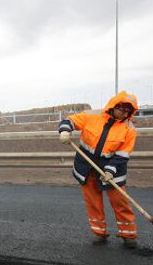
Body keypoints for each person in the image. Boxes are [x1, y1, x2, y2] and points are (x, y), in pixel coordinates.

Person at [58, 91, 139, 248]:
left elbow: (122, 155)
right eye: (122, 108)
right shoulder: (92, 116)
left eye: (128, 111)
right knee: (93, 202)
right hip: (87, 166)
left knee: (120, 202)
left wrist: (110, 171)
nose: (124, 113)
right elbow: (69, 121)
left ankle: (128, 234)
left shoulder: (129, 129)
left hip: (113, 169)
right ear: (114, 105)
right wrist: (65, 131)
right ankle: (99, 233)